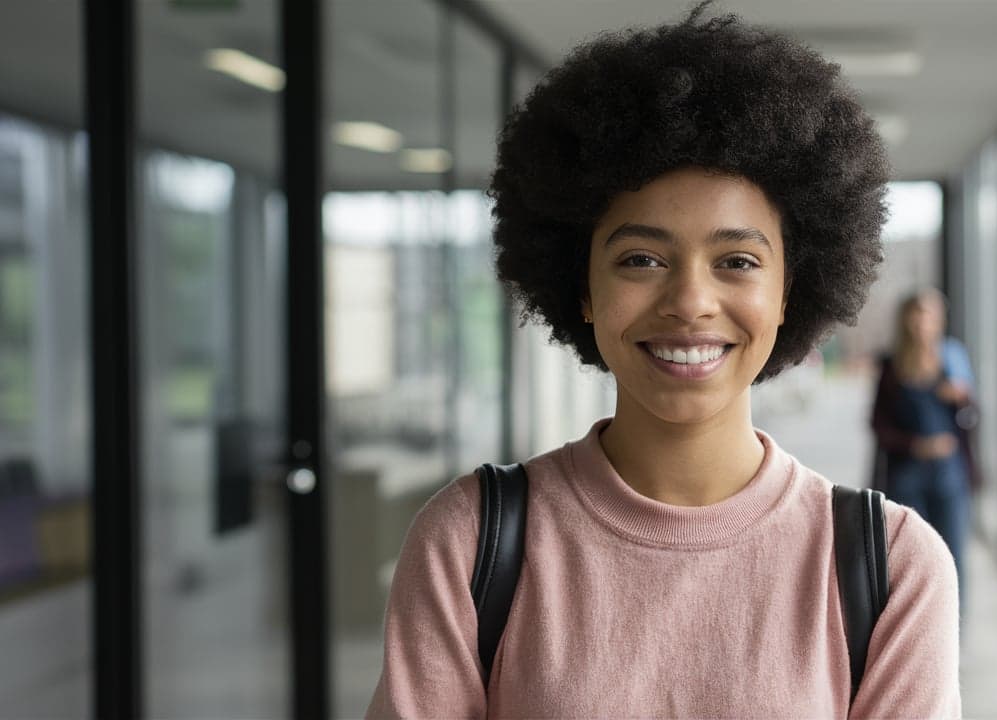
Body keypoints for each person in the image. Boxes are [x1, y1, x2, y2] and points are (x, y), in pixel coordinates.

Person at [367, 5, 960, 717]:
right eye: (641, 259)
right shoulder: (467, 543)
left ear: (787, 294)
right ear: (583, 287)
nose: (690, 301)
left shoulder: (891, 566)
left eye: (737, 261)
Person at [870, 289, 976, 609]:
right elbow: (878, 425)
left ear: (939, 320)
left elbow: (971, 419)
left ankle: (953, 640)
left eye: (929, 314)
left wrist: (962, 400)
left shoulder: (952, 361)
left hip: (949, 476)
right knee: (910, 559)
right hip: (907, 476)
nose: (922, 322)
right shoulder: (891, 367)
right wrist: (917, 446)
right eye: (916, 313)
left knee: (953, 556)